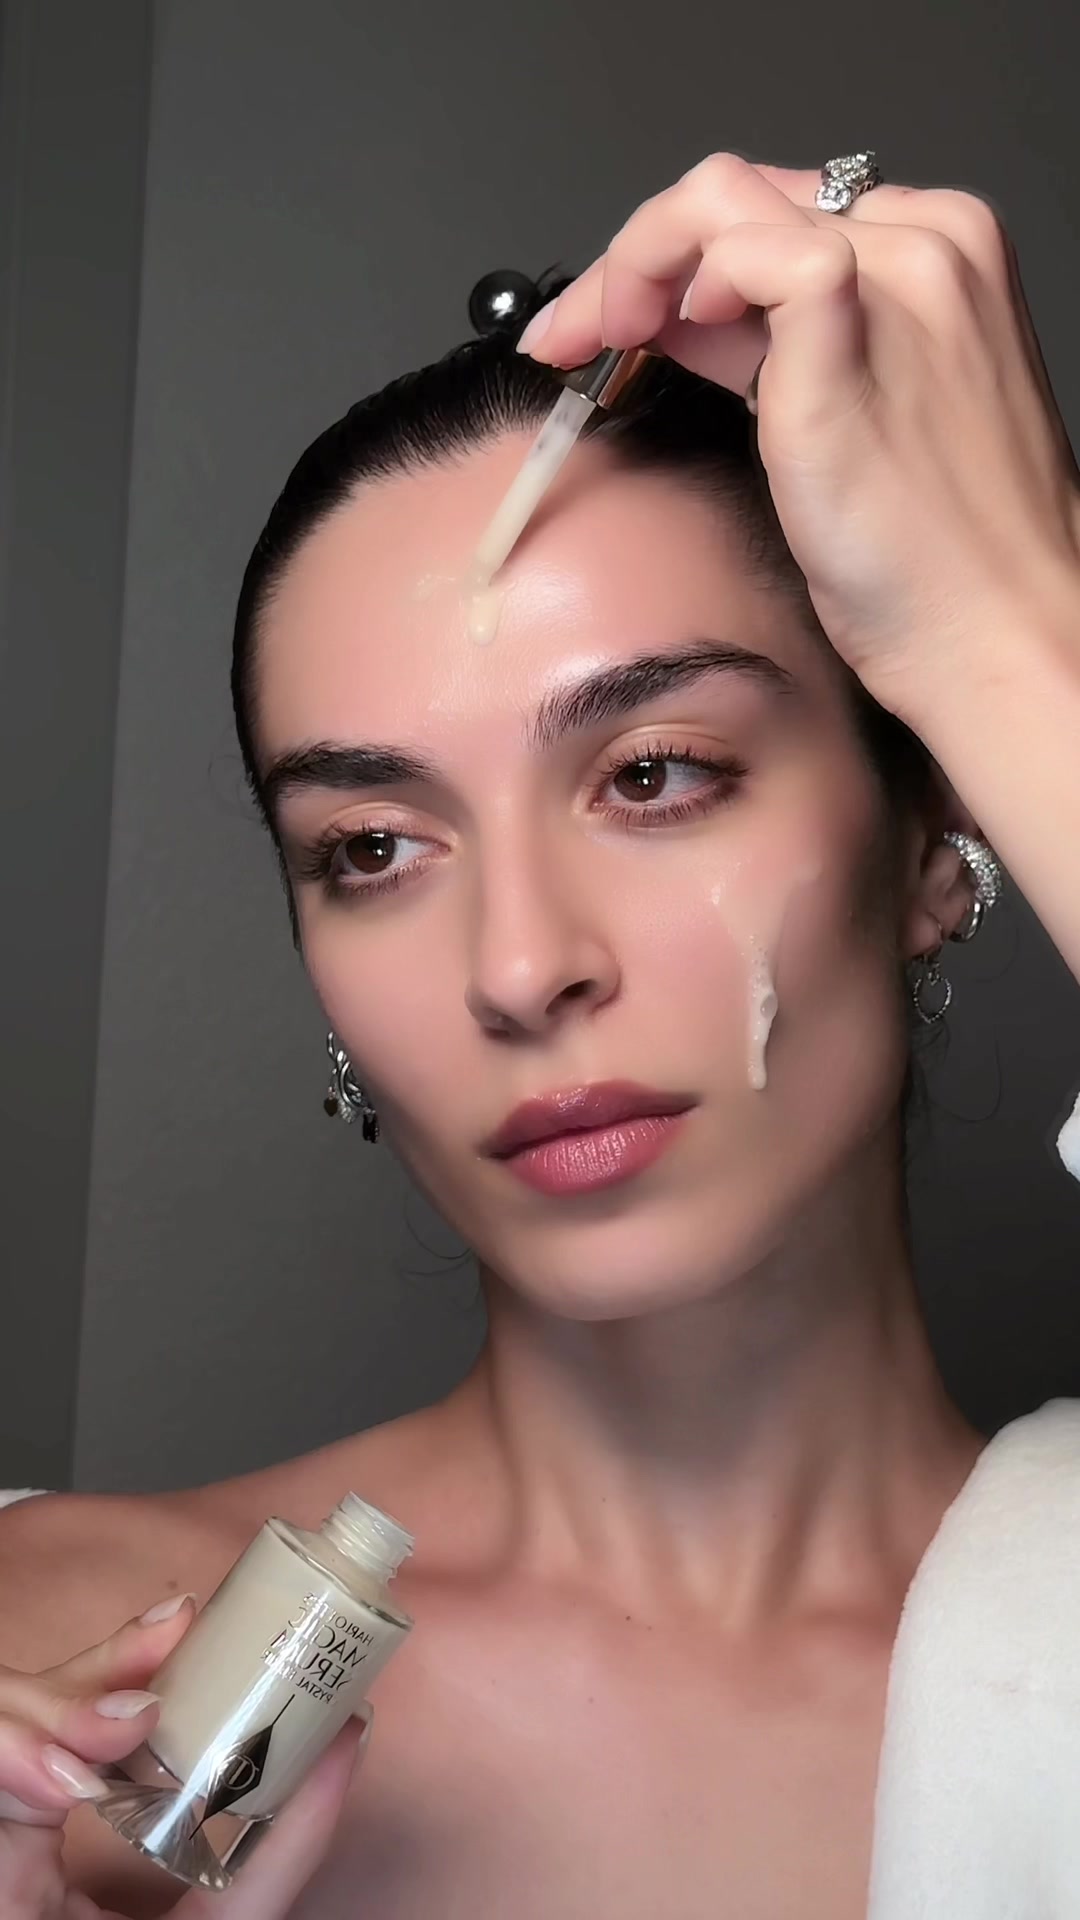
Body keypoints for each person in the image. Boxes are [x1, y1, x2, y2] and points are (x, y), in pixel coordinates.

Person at [1, 151, 1079, 1920]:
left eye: (655, 775)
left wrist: (1015, 636)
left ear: (932, 840)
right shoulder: (47, 1664)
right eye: (372, 850)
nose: (517, 967)